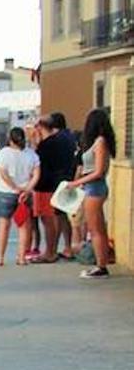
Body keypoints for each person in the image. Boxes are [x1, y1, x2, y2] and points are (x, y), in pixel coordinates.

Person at [71, 108, 115, 278]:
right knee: (97, 228)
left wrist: (76, 182)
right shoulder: (98, 142)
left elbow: (97, 171)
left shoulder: (100, 142)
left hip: (95, 187)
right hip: (92, 187)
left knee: (95, 229)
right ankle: (101, 264)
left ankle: (101, 266)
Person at [31, 115, 76, 263]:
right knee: (60, 216)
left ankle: (50, 252)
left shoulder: (47, 144)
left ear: (41, 127)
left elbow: (37, 163)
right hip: (62, 181)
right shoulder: (66, 140)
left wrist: (35, 142)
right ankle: (62, 248)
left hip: (46, 186)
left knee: (48, 220)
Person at [0, 126, 39, 266]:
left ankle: (0, 258)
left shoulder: (4, 153)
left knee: (4, 225)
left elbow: (3, 173)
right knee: (24, 226)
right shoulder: (31, 154)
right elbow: (36, 174)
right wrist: (27, 189)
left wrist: (15, 188)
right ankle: (21, 257)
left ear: (10, 140)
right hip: (25, 194)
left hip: (6, 193)